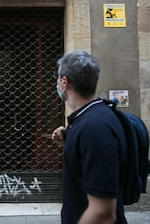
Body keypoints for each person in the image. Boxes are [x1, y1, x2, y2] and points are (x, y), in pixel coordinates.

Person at [52, 51, 127, 224]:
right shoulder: (91, 118)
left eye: (58, 78)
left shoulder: (94, 128)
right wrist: (69, 143)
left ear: (64, 82)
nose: (57, 83)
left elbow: (103, 213)